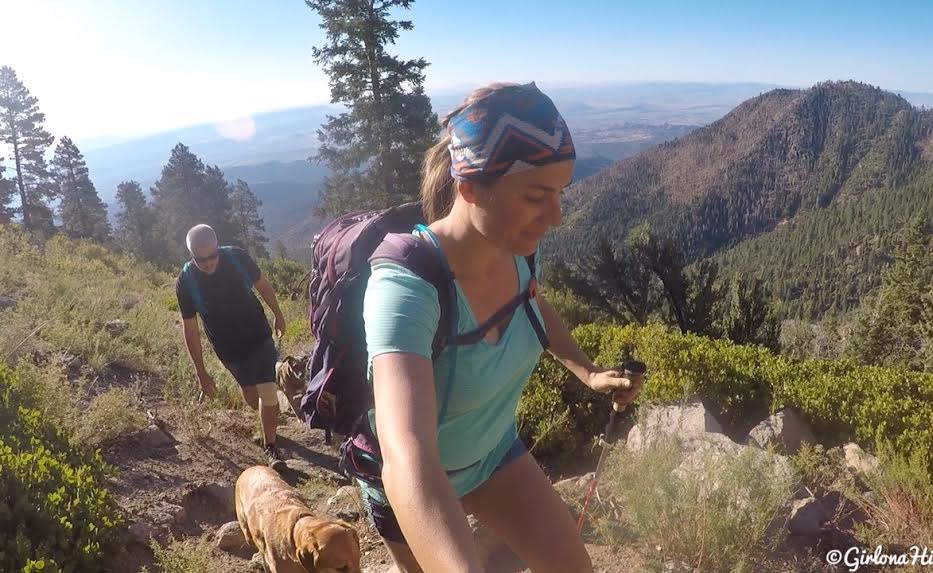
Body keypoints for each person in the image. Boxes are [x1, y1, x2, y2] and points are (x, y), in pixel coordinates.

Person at [346, 83, 644, 573]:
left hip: (493, 454)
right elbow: (408, 458)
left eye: (560, 193)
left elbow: (533, 304)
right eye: (536, 195)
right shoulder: (405, 287)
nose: (556, 216)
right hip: (411, 484)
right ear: (469, 188)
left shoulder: (517, 252)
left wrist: (587, 372)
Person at [176, 224, 289, 470]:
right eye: (200, 259)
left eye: (212, 255)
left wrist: (278, 314)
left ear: (218, 247)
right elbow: (190, 329)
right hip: (227, 348)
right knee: (249, 392)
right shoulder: (186, 281)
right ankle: (267, 419)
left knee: (268, 390)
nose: (208, 263)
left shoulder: (237, 258)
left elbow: (263, 286)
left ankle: (271, 447)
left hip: (258, 335)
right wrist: (200, 372)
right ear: (191, 254)